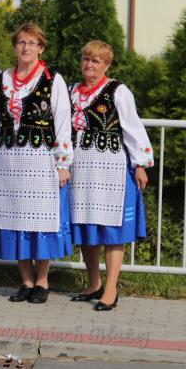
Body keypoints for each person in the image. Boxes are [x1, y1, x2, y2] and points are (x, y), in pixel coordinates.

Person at [0, 22, 73, 303]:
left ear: (40, 48)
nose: (26, 48)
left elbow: (63, 123)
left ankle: (42, 281)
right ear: (15, 46)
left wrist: (62, 164)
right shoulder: (1, 81)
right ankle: (25, 281)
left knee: (41, 220)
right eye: (21, 42)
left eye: (32, 43)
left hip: (41, 161)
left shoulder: (52, 80)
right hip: (8, 162)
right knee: (15, 220)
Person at [69, 40, 153, 311]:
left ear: (106, 65)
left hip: (112, 169)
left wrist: (140, 164)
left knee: (112, 230)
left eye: (96, 61)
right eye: (86, 59)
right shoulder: (72, 91)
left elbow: (132, 127)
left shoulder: (118, 91)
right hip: (81, 169)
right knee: (87, 227)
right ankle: (94, 283)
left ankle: (111, 288)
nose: (89, 64)